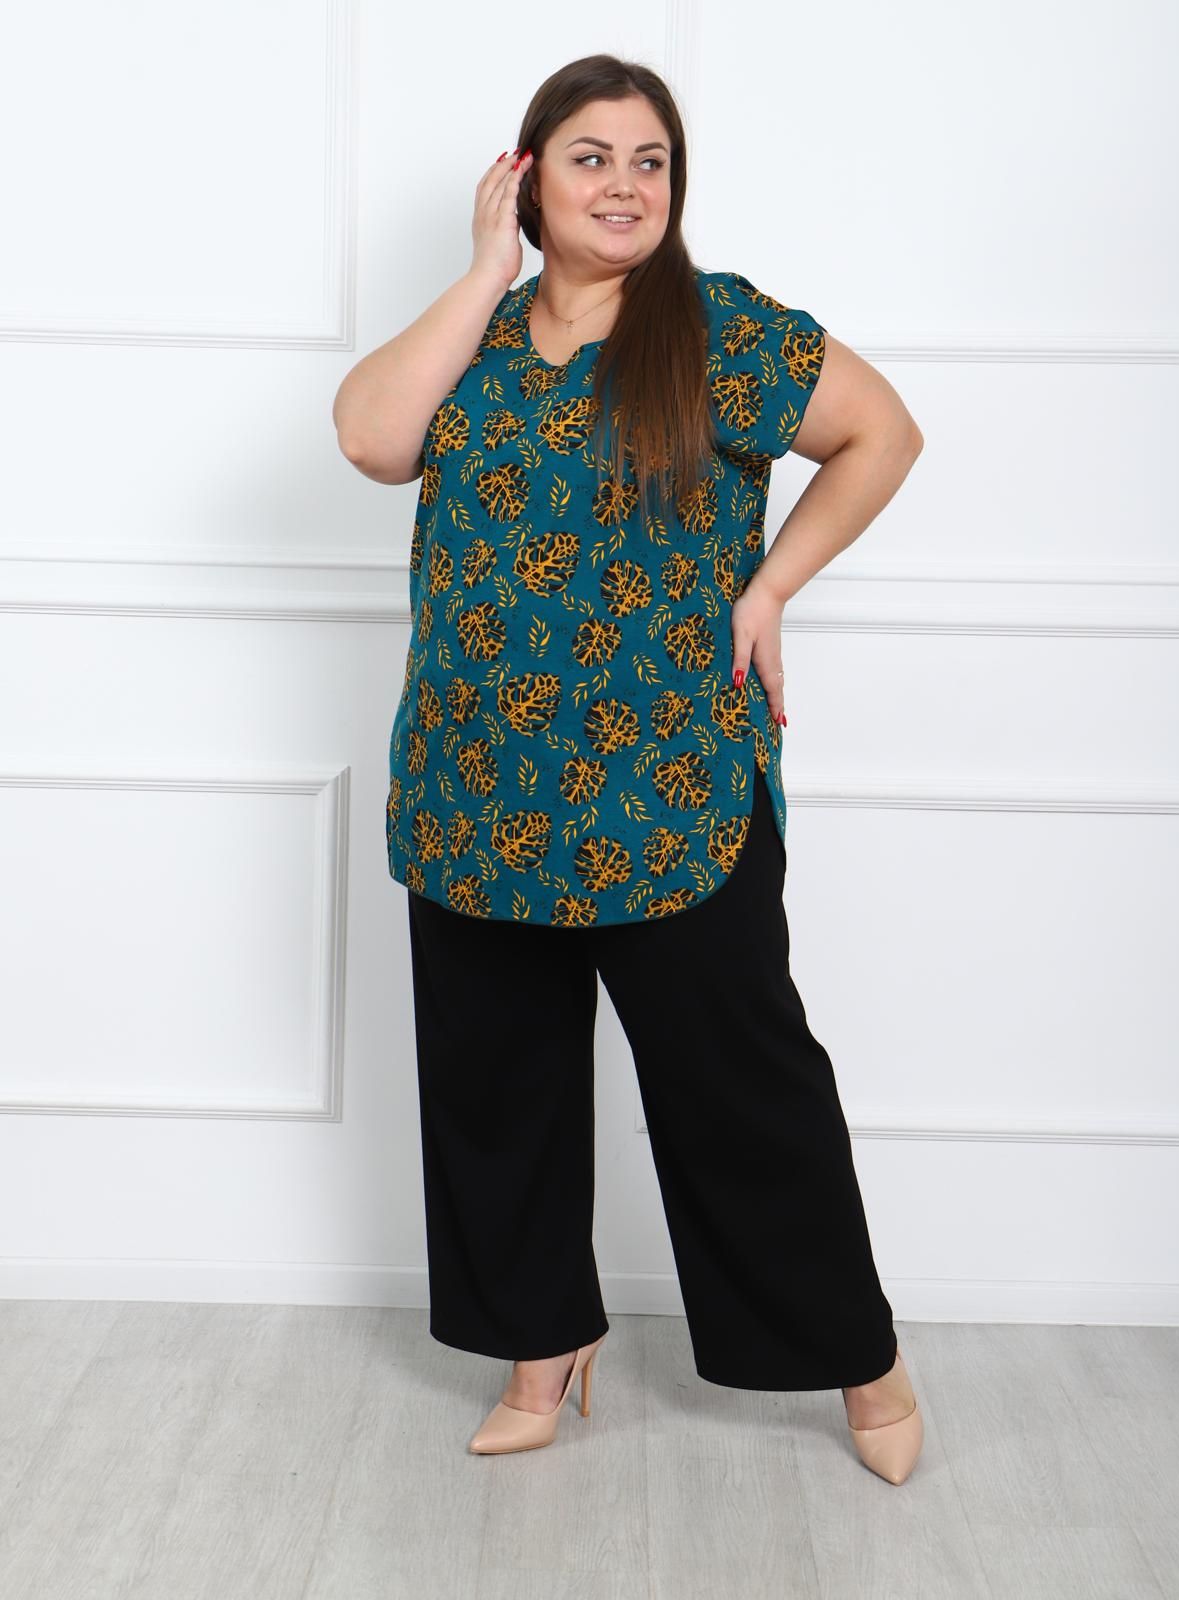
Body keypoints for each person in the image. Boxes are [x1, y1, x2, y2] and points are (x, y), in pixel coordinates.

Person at [333, 54, 926, 1485]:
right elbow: (369, 438)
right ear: (527, 179)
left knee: (744, 1091)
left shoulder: (719, 332)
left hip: (673, 789)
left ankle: (864, 1361)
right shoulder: (469, 340)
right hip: (479, 788)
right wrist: (485, 271)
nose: (624, 184)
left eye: (649, 160)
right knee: (499, 1091)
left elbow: (881, 433)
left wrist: (768, 587)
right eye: (590, 157)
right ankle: (540, 1349)